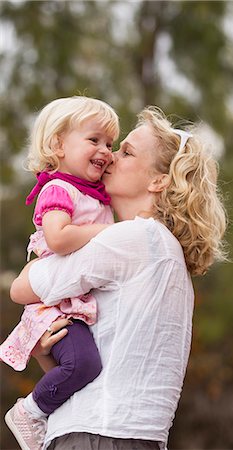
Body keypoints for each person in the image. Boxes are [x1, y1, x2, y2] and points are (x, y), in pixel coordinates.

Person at [9, 106, 227, 450]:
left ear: (158, 181)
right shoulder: (161, 248)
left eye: (126, 151)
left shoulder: (133, 238)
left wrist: (30, 269)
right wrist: (44, 349)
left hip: (98, 435)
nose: (109, 156)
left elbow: (22, 288)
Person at [1, 96, 120, 449]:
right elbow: (58, 237)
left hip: (74, 301)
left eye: (110, 144)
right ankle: (31, 412)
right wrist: (109, 233)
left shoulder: (96, 197)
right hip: (55, 305)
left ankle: (50, 413)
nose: (105, 151)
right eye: (94, 140)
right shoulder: (59, 188)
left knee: (81, 365)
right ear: (58, 144)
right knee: (84, 364)